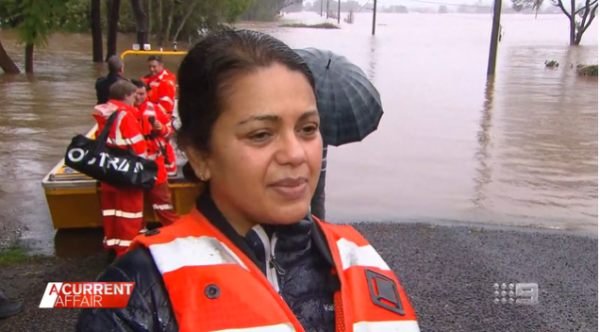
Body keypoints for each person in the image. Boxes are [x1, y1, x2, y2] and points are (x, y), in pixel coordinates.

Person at [75, 30, 420, 332]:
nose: (296, 154)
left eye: (308, 129)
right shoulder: (132, 293)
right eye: (261, 134)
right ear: (199, 155)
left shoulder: (360, 257)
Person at [93, 80, 149, 260]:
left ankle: (111, 244)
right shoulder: (125, 116)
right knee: (129, 213)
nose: (135, 100)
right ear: (126, 96)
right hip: (126, 173)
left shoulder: (104, 113)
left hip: (108, 172)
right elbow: (139, 148)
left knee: (111, 210)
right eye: (133, 96)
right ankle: (126, 252)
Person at [131, 79, 179, 227]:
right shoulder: (125, 111)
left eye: (142, 94)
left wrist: (161, 128)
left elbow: (169, 132)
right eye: (136, 94)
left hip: (155, 164)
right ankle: (140, 233)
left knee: (163, 203)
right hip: (133, 166)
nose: (139, 97)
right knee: (134, 206)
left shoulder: (156, 109)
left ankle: (175, 231)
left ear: (147, 93)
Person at [141, 55, 178, 178]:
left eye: (154, 66)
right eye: (150, 67)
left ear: (161, 66)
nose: (151, 69)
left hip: (160, 118)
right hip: (151, 116)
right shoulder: (150, 80)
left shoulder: (165, 83)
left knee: (163, 146)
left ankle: (168, 172)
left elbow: (166, 107)